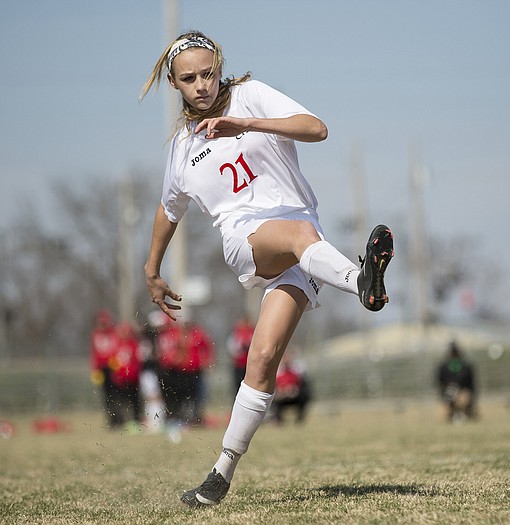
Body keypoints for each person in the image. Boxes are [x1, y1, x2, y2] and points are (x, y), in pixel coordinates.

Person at [140, 30, 393, 508]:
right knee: (301, 239)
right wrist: (152, 269)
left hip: (305, 246)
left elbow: (317, 129)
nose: (201, 85)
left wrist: (248, 125)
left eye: (208, 73)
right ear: (174, 84)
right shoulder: (180, 149)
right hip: (247, 240)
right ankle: (360, 281)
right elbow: (167, 211)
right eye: (189, 78)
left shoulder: (250, 96)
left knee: (262, 359)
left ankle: (218, 476)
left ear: (220, 67)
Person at [89, 310, 120, 428]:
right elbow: (94, 353)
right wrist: (95, 369)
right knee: (106, 396)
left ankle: (119, 418)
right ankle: (111, 420)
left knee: (116, 394)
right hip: (101, 369)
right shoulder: (95, 335)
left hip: (113, 368)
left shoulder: (113, 333)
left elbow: (116, 349)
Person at [436, 341, 477, 422]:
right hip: (447, 392)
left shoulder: (466, 367)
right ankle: (453, 414)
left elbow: (471, 384)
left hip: (463, 391)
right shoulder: (443, 367)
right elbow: (440, 382)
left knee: (463, 401)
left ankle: (464, 413)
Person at [270, 353, 311, 425]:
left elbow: (299, 385)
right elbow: (275, 386)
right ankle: (277, 419)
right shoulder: (278, 373)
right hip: (281, 398)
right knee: (272, 398)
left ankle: (300, 419)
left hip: (294, 396)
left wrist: (294, 390)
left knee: (304, 396)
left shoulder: (295, 372)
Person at [227, 316, 255, 400]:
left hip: (250, 365)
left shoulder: (252, 333)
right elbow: (232, 348)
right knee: (238, 386)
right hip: (239, 365)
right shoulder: (236, 334)